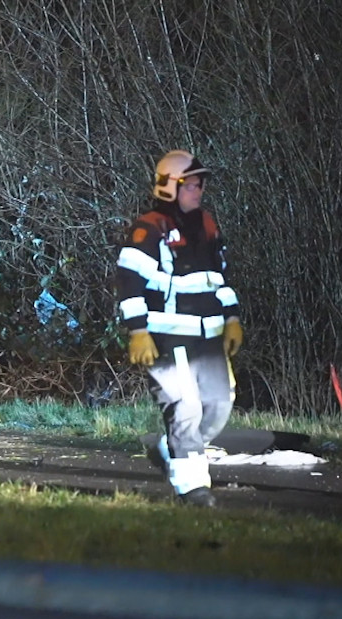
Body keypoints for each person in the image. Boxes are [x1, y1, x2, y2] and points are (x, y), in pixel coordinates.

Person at [115, 150, 243, 508]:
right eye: (193, 185)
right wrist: (137, 330)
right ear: (171, 187)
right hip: (168, 337)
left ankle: (172, 447)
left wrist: (231, 319)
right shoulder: (148, 228)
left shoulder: (207, 225)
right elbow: (129, 283)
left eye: (201, 184)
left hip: (208, 336)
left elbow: (221, 277)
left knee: (219, 404)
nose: (199, 191)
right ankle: (192, 488)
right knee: (185, 408)